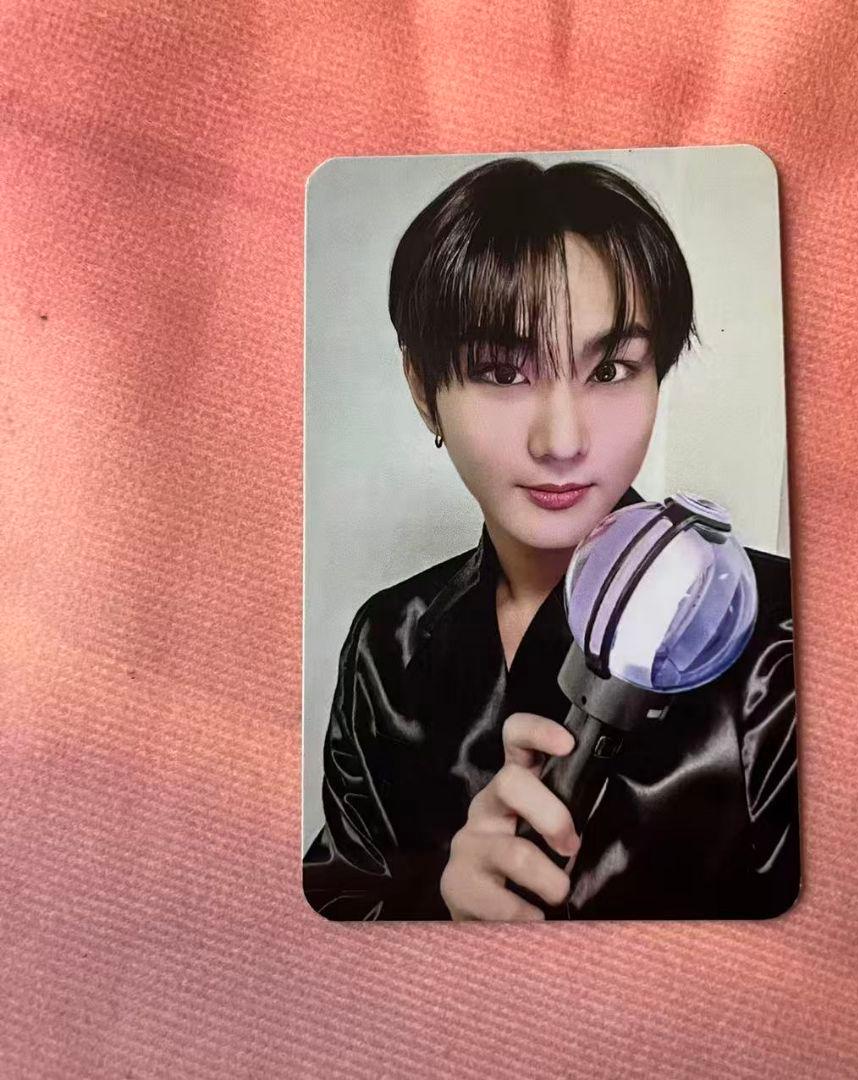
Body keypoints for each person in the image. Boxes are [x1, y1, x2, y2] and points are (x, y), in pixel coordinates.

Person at [303, 157, 799, 921]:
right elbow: (334, 905)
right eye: (503, 373)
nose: (563, 440)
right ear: (422, 389)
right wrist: (439, 909)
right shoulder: (386, 642)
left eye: (612, 369)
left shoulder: (779, 633)